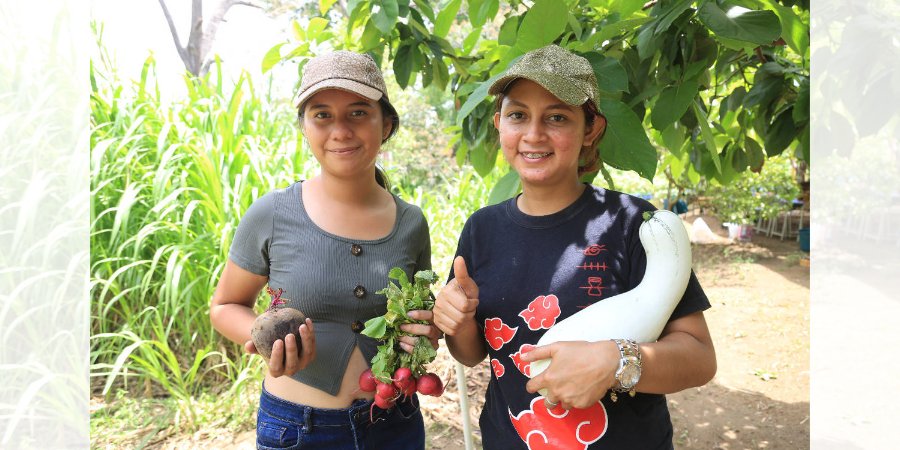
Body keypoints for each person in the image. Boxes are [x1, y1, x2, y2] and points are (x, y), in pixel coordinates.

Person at [432, 45, 716, 449]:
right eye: (518, 115)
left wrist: (617, 362)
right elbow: (473, 353)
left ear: (592, 129)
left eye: (557, 117)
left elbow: (700, 358)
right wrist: (459, 323)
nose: (533, 134)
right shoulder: (482, 228)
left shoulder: (633, 223)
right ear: (499, 124)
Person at [209, 50, 440, 450]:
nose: (341, 131)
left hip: (395, 424)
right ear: (304, 126)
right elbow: (225, 305)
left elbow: (421, 315)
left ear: (385, 124)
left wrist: (425, 333)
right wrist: (262, 338)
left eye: (357, 113)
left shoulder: (411, 223)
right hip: (298, 429)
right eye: (322, 115)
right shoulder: (273, 213)